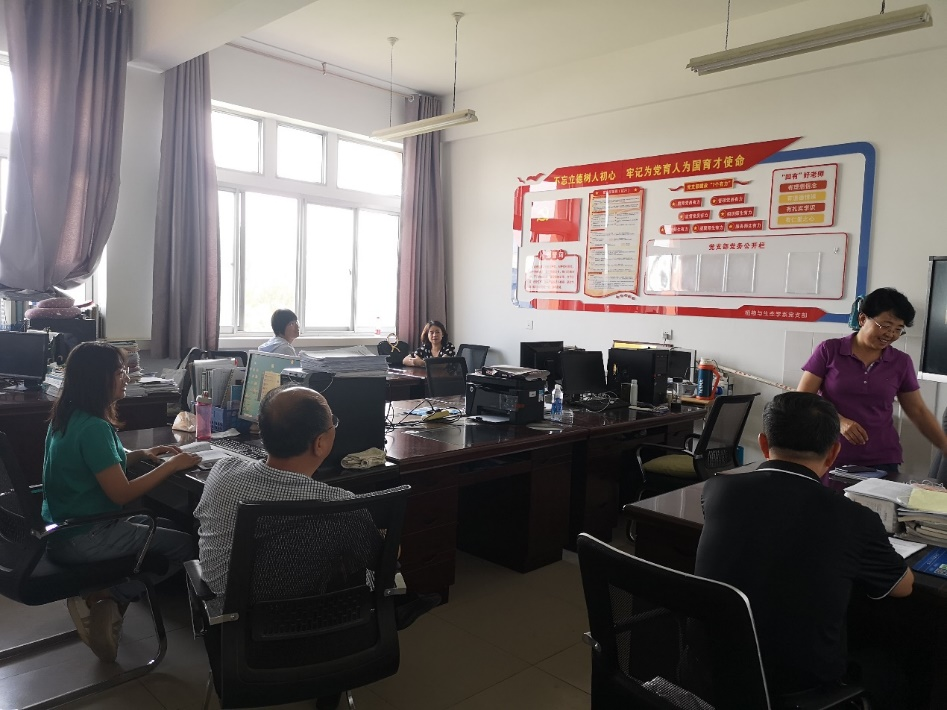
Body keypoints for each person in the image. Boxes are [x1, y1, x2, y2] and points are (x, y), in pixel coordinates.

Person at [695, 392, 913, 704]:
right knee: (895, 669)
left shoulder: (717, 489)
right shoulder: (855, 518)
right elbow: (903, 587)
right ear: (834, 453)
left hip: (710, 671)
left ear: (763, 443)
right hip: (797, 689)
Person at [194, 384, 439, 625]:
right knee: (354, 555)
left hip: (229, 618)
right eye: (333, 422)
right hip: (309, 618)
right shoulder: (338, 505)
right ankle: (395, 609)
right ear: (320, 443)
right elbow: (384, 560)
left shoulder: (222, 470)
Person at [42, 342, 200, 662]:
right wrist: (172, 465)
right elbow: (122, 494)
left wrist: (141, 454)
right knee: (188, 546)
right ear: (97, 379)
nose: (127, 377)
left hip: (64, 530)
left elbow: (98, 466)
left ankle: (107, 606)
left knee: (168, 524)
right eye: (120, 372)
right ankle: (106, 596)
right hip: (87, 535)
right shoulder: (95, 428)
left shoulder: (69, 417)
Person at [798, 287, 947, 472]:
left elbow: (918, 411)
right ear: (862, 319)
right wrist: (839, 421)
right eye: (885, 326)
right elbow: (803, 399)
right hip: (828, 454)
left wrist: (944, 445)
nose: (890, 334)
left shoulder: (901, 362)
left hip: (882, 458)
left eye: (898, 329)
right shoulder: (829, 350)